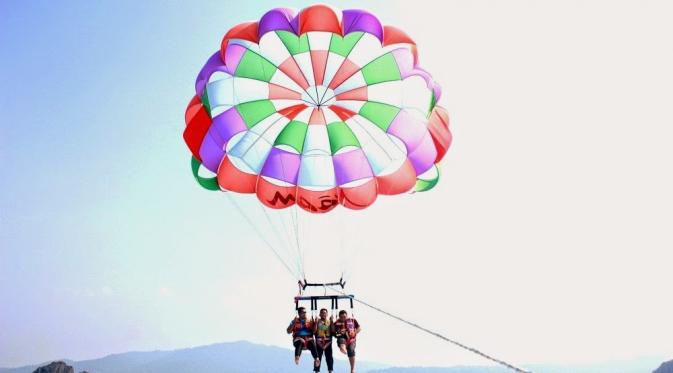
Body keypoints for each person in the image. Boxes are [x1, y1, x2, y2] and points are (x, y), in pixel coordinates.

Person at [312, 308, 334, 373]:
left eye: (325, 313)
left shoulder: (329, 321)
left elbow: (333, 330)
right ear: (319, 314)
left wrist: (332, 322)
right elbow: (314, 331)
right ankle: (316, 370)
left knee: (329, 358)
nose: (323, 314)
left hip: (328, 342)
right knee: (318, 358)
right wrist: (315, 323)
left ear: (327, 314)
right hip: (319, 342)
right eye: (322, 313)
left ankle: (330, 371)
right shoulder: (317, 321)